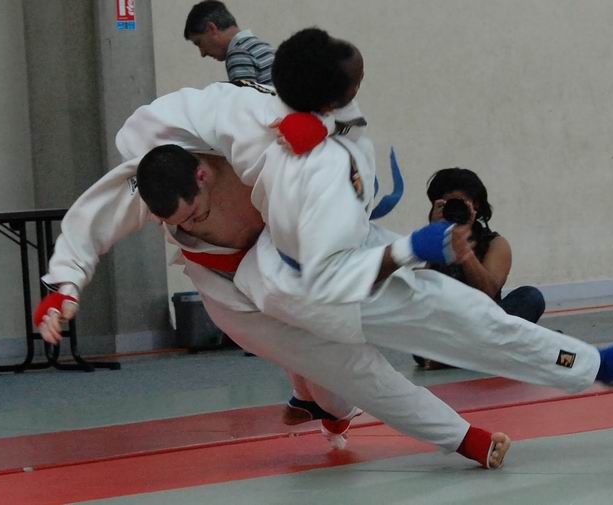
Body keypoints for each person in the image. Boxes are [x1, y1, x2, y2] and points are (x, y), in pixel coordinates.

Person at [36, 84, 511, 468]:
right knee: (328, 360)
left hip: (293, 259)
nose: (188, 227)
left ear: (203, 174)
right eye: (174, 223)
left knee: (345, 359)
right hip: (229, 291)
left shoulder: (262, 143)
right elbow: (89, 223)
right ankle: (457, 435)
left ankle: (333, 407)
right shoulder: (148, 180)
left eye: (196, 215)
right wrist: (63, 288)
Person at [413, 167, 546, 370]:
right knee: (418, 337)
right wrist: (434, 237)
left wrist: (464, 250)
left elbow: (487, 291)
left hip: (487, 324)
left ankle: (458, 356)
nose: (454, 209)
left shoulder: (495, 244)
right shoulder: (430, 241)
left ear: (475, 205)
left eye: (460, 203)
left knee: (530, 297)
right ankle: (506, 350)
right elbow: (416, 293)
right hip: (447, 328)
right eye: (447, 204)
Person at [184, 1, 274, 85]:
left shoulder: (238, 53)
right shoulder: (265, 48)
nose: (202, 54)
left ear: (212, 28)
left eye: (199, 43)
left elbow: (244, 97)